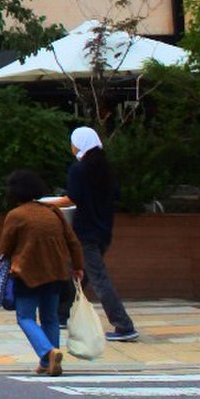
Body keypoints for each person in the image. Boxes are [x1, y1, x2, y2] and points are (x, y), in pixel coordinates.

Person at [0, 169, 84, 376]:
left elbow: (5, 248)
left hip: (27, 273)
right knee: (51, 318)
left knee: (25, 317)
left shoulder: (16, 215)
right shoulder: (52, 212)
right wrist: (78, 266)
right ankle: (50, 363)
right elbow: (72, 241)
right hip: (56, 272)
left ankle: (47, 353)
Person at [62, 126, 138, 342]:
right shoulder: (106, 169)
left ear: (80, 143)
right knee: (80, 273)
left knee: (98, 279)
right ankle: (61, 313)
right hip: (104, 231)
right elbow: (116, 195)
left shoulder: (79, 170)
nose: (72, 146)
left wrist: (46, 204)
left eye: (73, 142)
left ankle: (124, 325)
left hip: (85, 232)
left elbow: (72, 199)